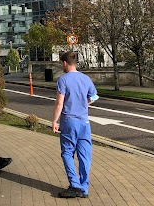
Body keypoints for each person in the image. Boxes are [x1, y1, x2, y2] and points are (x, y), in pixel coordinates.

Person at [52, 51, 98, 199]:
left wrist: (54, 121)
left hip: (69, 121)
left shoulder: (63, 80)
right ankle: (84, 187)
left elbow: (60, 103)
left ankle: (75, 185)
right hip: (84, 122)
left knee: (67, 153)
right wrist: (84, 104)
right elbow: (94, 97)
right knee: (85, 156)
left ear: (65, 63)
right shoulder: (86, 78)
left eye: (61, 63)